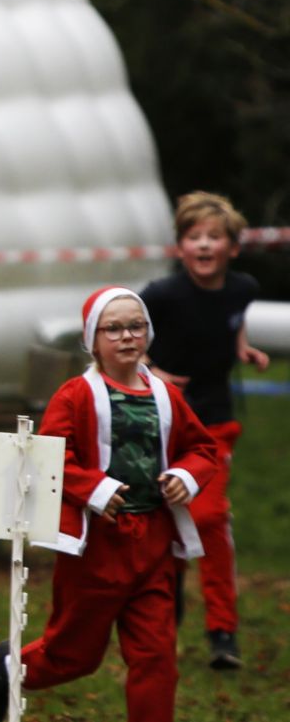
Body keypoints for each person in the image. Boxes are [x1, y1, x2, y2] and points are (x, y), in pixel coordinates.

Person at [0, 287, 221, 722]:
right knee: (75, 655)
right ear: (93, 339)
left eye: (136, 326)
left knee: (156, 657)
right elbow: (50, 455)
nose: (127, 336)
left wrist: (185, 475)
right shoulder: (75, 395)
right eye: (114, 329)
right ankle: (12, 668)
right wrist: (95, 489)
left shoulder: (165, 396)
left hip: (153, 543)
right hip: (96, 547)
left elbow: (202, 447)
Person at [141, 192, 267, 670]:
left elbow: (228, 323)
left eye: (214, 237)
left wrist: (243, 348)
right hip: (162, 423)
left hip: (214, 422)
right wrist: (154, 372)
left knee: (210, 519)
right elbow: (124, 335)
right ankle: (163, 615)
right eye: (194, 237)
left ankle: (223, 631)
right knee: (164, 524)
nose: (204, 245)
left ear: (233, 247)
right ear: (179, 247)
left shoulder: (243, 289)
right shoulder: (161, 294)